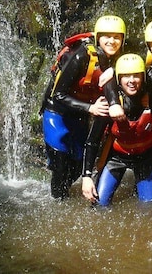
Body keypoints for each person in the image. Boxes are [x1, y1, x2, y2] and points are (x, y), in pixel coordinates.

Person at [41, 15, 125, 199]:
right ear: (98, 37)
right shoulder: (81, 55)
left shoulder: (120, 57)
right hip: (58, 113)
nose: (112, 41)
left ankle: (63, 195)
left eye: (116, 37)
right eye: (106, 37)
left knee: (78, 166)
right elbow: (58, 94)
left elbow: (145, 52)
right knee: (60, 164)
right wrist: (90, 108)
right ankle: (58, 203)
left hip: (81, 115)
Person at [81, 53, 152, 206]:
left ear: (143, 77)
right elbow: (92, 141)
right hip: (117, 157)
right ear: (118, 79)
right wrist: (86, 176)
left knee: (148, 207)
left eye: (136, 76)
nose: (131, 81)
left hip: (146, 158)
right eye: (126, 76)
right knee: (99, 206)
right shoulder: (109, 104)